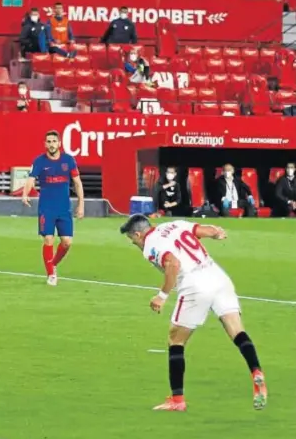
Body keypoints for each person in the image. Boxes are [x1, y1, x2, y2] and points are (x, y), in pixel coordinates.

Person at [119, 214, 267, 411]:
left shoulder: (149, 245)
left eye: (132, 239)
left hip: (194, 285)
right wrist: (216, 233)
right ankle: (256, 371)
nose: (134, 243)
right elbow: (208, 230)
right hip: (217, 276)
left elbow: (173, 264)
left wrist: (162, 296)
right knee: (237, 330)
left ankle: (177, 400)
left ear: (138, 234)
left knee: (175, 339)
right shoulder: (174, 224)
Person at [22, 130, 84, 286]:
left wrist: (81, 204)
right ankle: (51, 274)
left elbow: (77, 183)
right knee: (48, 239)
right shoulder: (39, 162)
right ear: (45, 144)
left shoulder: (68, 161)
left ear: (59, 144)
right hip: (46, 208)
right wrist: (25, 193)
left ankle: (53, 263)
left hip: (64, 209)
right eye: (48, 141)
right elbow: (30, 179)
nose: (51, 144)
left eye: (54, 141)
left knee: (67, 242)